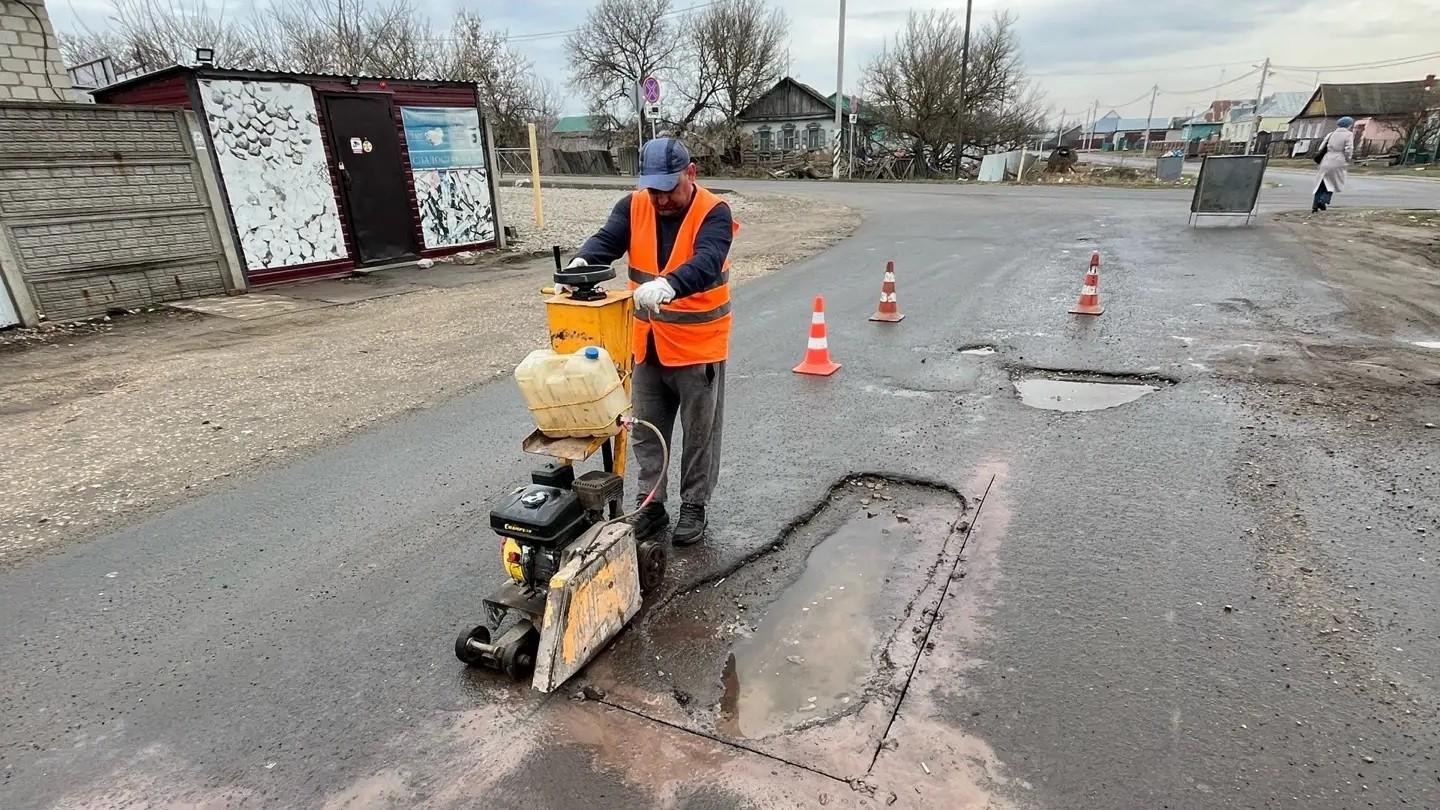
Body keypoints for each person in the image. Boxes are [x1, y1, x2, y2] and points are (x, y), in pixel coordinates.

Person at [570, 138, 737, 547]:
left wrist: (670, 285)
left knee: (699, 434)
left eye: (669, 188)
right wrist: (582, 261)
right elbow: (607, 240)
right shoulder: (633, 205)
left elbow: (708, 259)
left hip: (699, 347)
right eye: (653, 189)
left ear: (690, 174)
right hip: (646, 344)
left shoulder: (714, 212)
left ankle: (694, 504)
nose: (660, 198)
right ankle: (652, 504)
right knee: (646, 432)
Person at [1312, 116, 1355, 213]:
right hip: (1338, 160)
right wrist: (1348, 159)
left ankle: (1315, 205)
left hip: (1326, 159)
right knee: (1333, 183)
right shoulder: (1348, 135)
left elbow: (1321, 147)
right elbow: (1349, 149)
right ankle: (1323, 201)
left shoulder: (1331, 134)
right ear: (1349, 125)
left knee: (1321, 183)